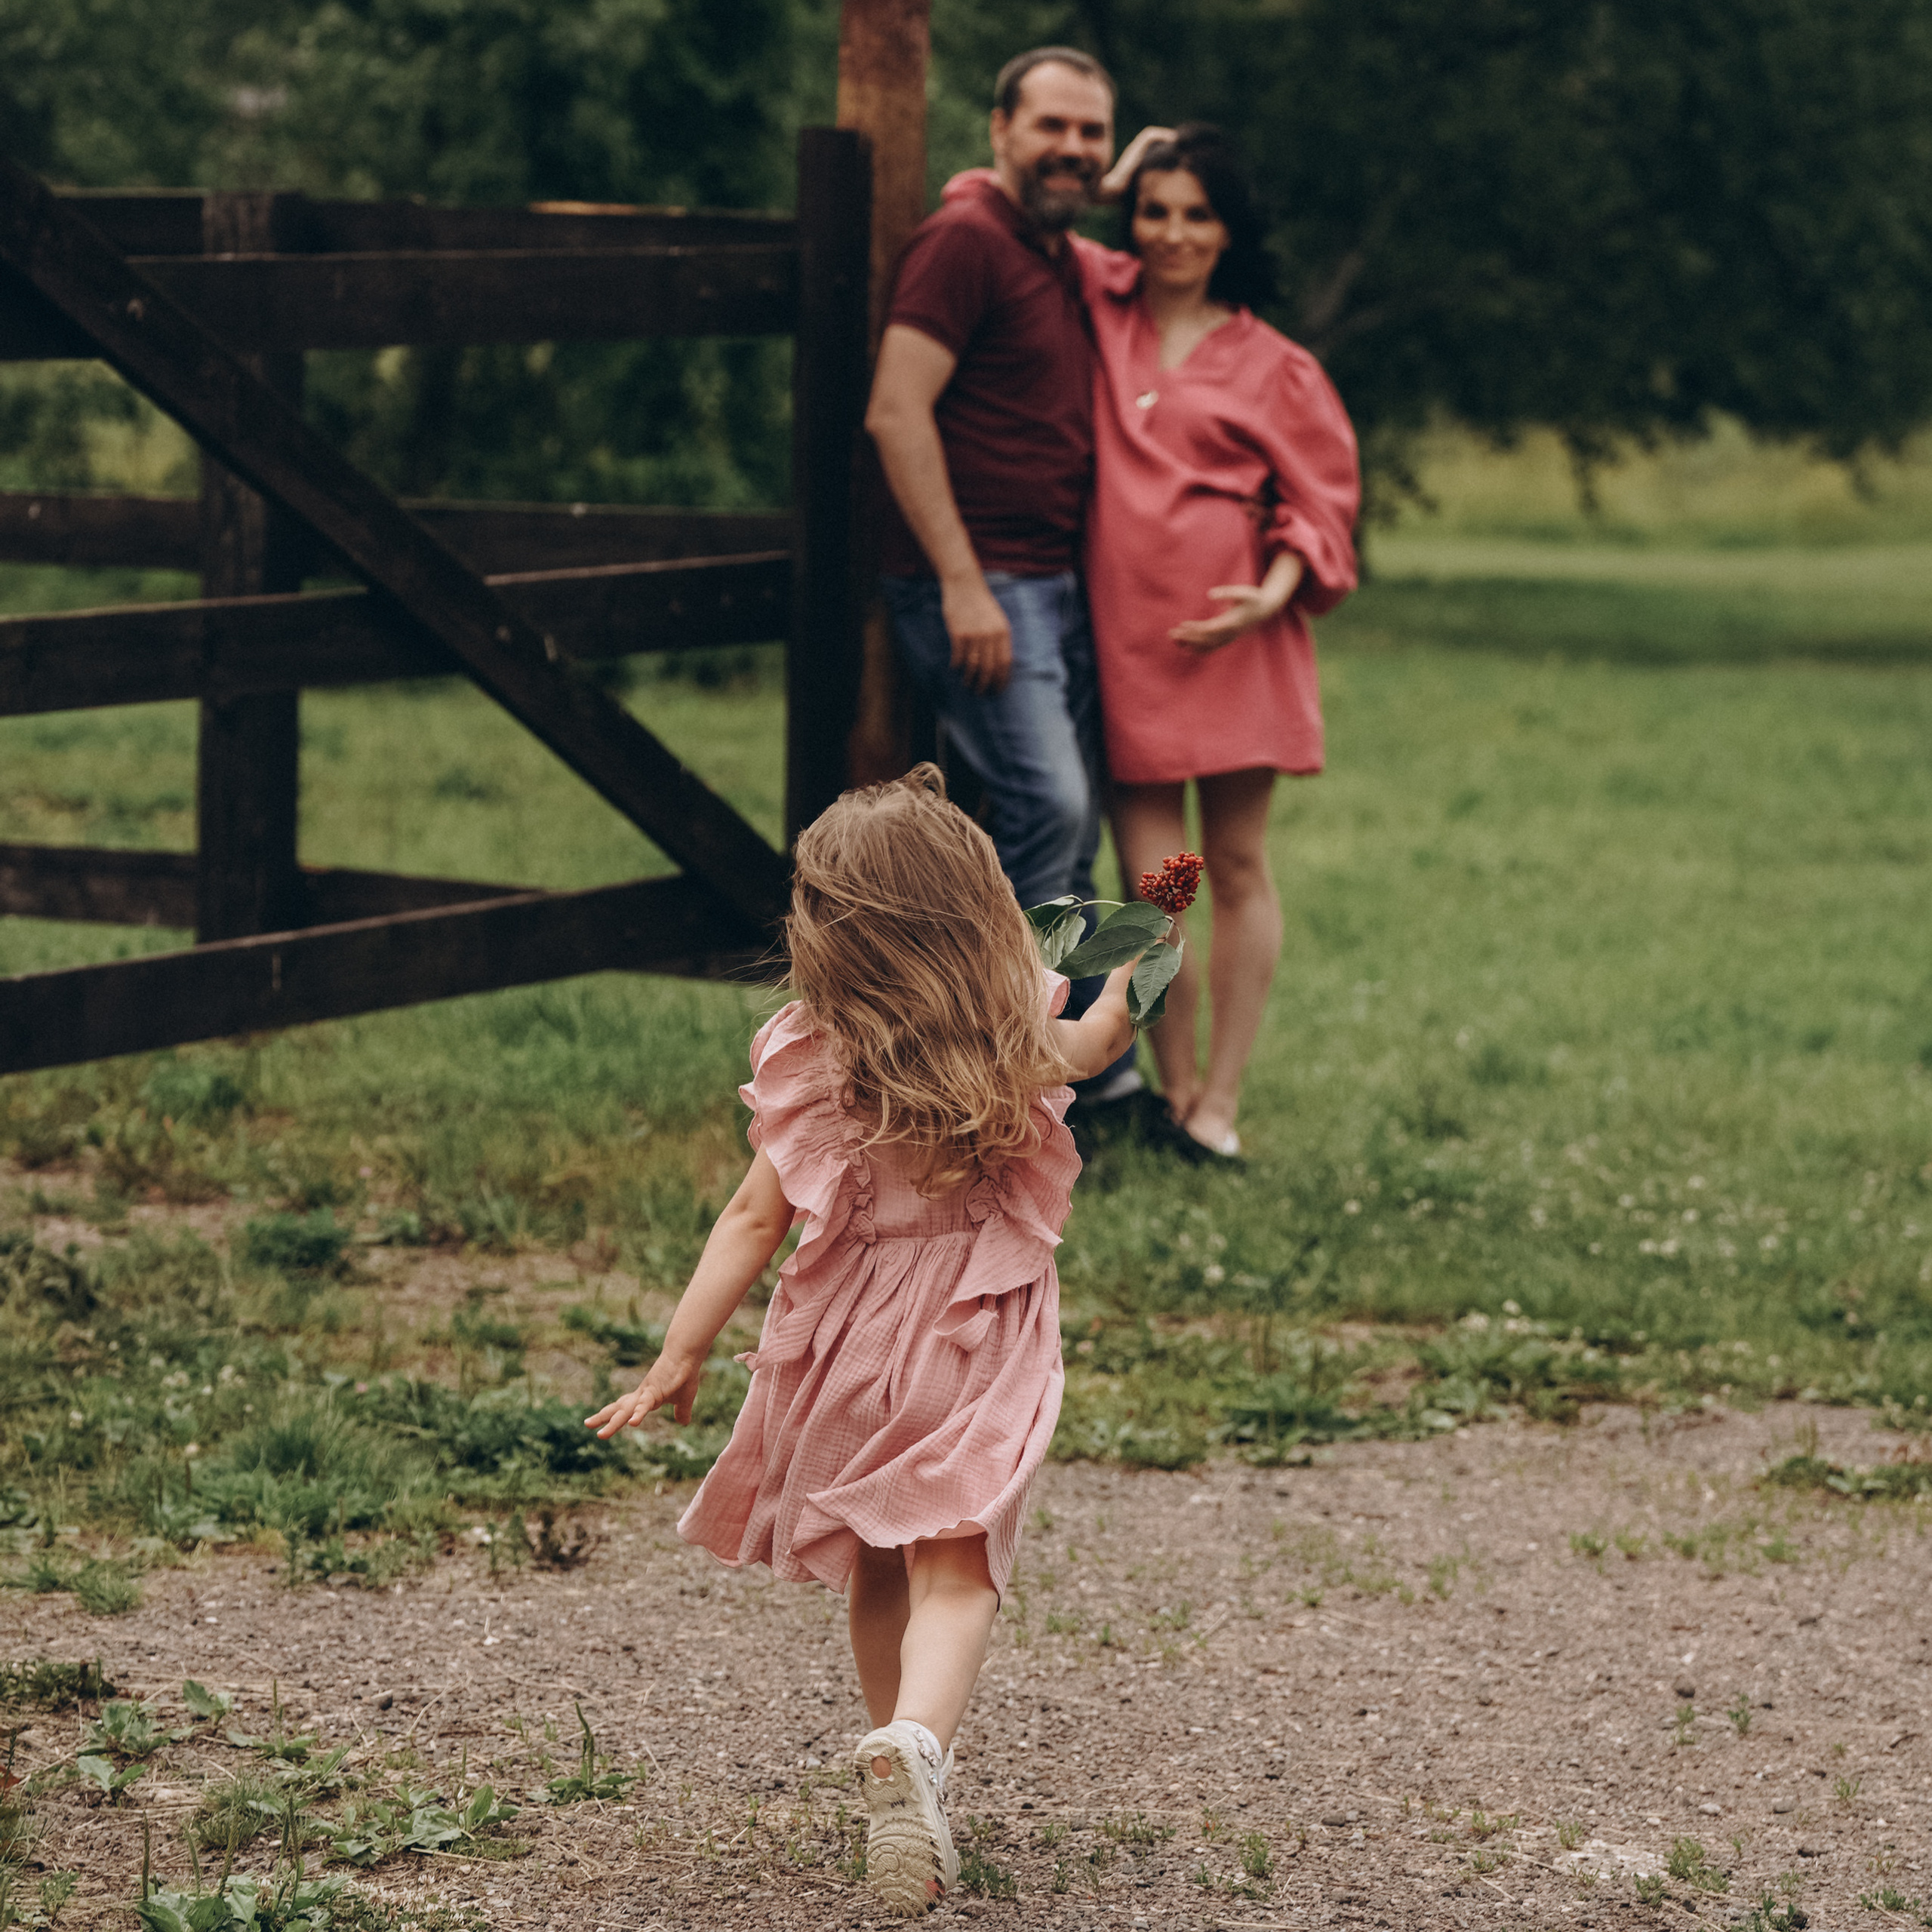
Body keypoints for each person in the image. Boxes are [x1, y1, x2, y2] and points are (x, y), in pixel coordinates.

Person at [584, 765, 1142, 1918]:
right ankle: (917, 1750)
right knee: (958, 1566)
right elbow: (1095, 1046)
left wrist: (678, 1356)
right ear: (977, 906)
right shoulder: (1008, 1029)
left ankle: (902, 1768)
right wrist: (1142, 962)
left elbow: (752, 1220)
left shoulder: (816, 1052)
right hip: (970, 1331)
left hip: (849, 1342)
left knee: (879, 1563)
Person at [863, 46, 1147, 1134]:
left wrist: (1112, 179)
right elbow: (897, 411)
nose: (1073, 149)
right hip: (982, 586)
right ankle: (1019, 1088)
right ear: (998, 129)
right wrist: (961, 582)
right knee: (1049, 811)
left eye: (1091, 133)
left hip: (1059, 583)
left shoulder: (1049, 247)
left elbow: (1074, 189)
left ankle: (1086, 1079)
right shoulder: (965, 242)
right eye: (1051, 127)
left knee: (1063, 837)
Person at [1081, 124, 1360, 1159]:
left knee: (1234, 865)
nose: (1173, 233)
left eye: (1197, 214)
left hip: (1240, 644)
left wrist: (1266, 596)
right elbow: (992, 196)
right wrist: (1113, 175)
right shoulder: (1098, 310)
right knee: (1158, 887)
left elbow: (1322, 508)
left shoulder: (1277, 365)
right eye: (1153, 212)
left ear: (1229, 229)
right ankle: (1175, 1089)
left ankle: (1221, 1107)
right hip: (1130, 647)